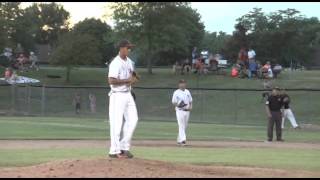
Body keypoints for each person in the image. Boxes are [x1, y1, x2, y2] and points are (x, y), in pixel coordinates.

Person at [107, 39, 139, 159]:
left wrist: (134, 78)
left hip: (127, 93)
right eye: (127, 47)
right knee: (117, 123)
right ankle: (114, 150)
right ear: (121, 48)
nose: (129, 50)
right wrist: (127, 80)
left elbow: (133, 74)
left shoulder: (129, 61)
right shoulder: (116, 63)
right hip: (117, 94)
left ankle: (124, 147)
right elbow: (111, 81)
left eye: (130, 48)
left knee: (133, 120)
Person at [172, 79, 193, 146]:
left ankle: (179, 140)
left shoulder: (187, 91)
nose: (182, 84)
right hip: (179, 111)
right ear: (179, 84)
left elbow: (190, 101)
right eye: (181, 83)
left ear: (185, 84)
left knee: (184, 126)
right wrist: (179, 105)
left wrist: (191, 106)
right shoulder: (176, 92)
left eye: (183, 83)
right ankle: (183, 140)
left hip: (187, 111)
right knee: (181, 125)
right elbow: (174, 102)